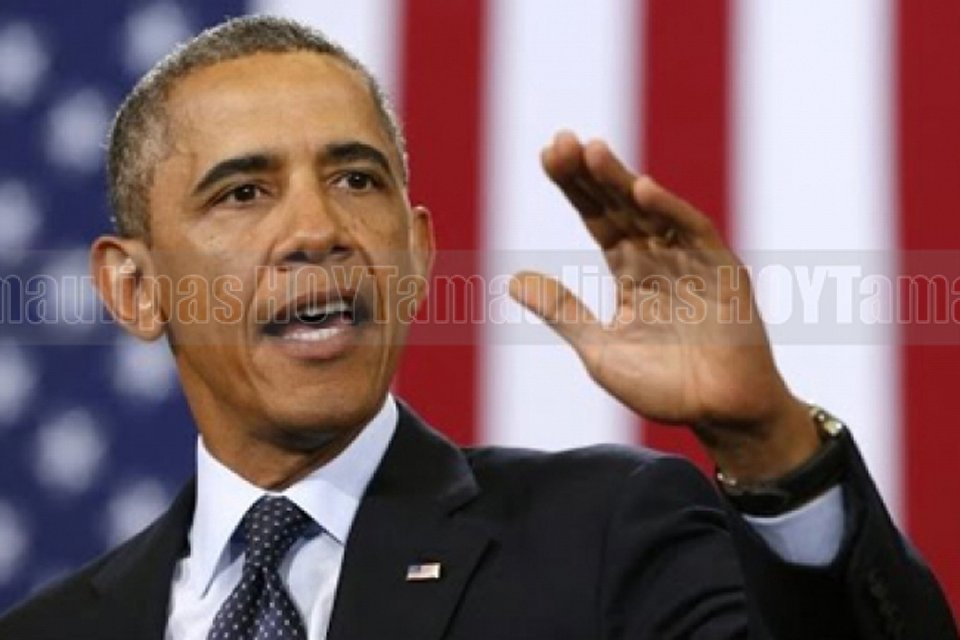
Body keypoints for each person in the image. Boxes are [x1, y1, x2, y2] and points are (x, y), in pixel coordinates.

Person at [0, 15, 954, 640]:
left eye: (356, 179)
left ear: (417, 255)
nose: (319, 230)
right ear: (135, 288)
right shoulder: (52, 631)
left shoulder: (605, 538)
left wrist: (768, 442)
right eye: (244, 192)